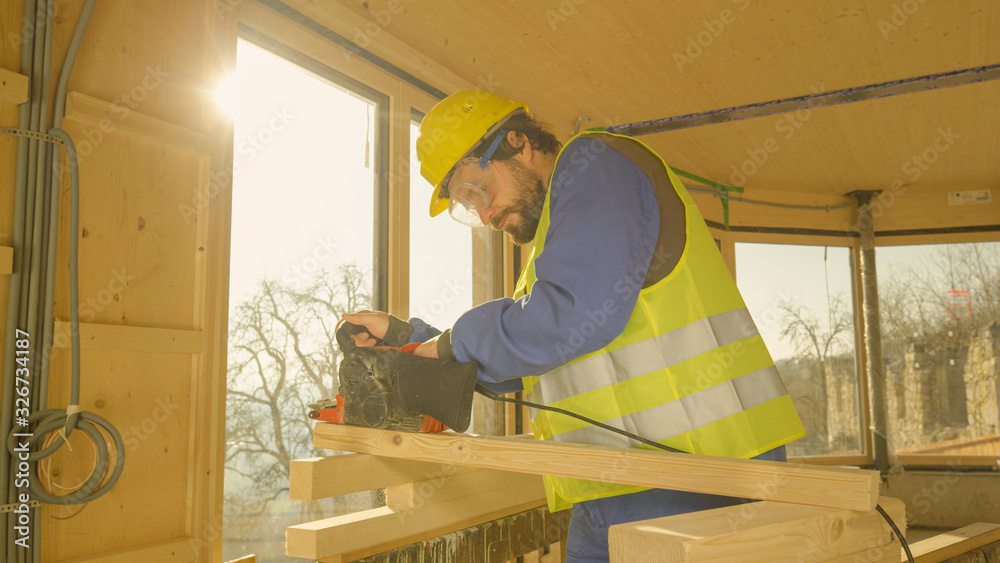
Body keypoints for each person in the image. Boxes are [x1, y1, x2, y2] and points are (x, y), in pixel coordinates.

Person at [342, 89, 805, 562]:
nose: (484, 213)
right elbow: (528, 354)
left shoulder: (596, 164)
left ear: (517, 142)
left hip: (698, 474)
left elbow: (564, 318)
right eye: (467, 207)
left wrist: (449, 345)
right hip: (621, 481)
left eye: (476, 191)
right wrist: (410, 340)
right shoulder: (551, 251)